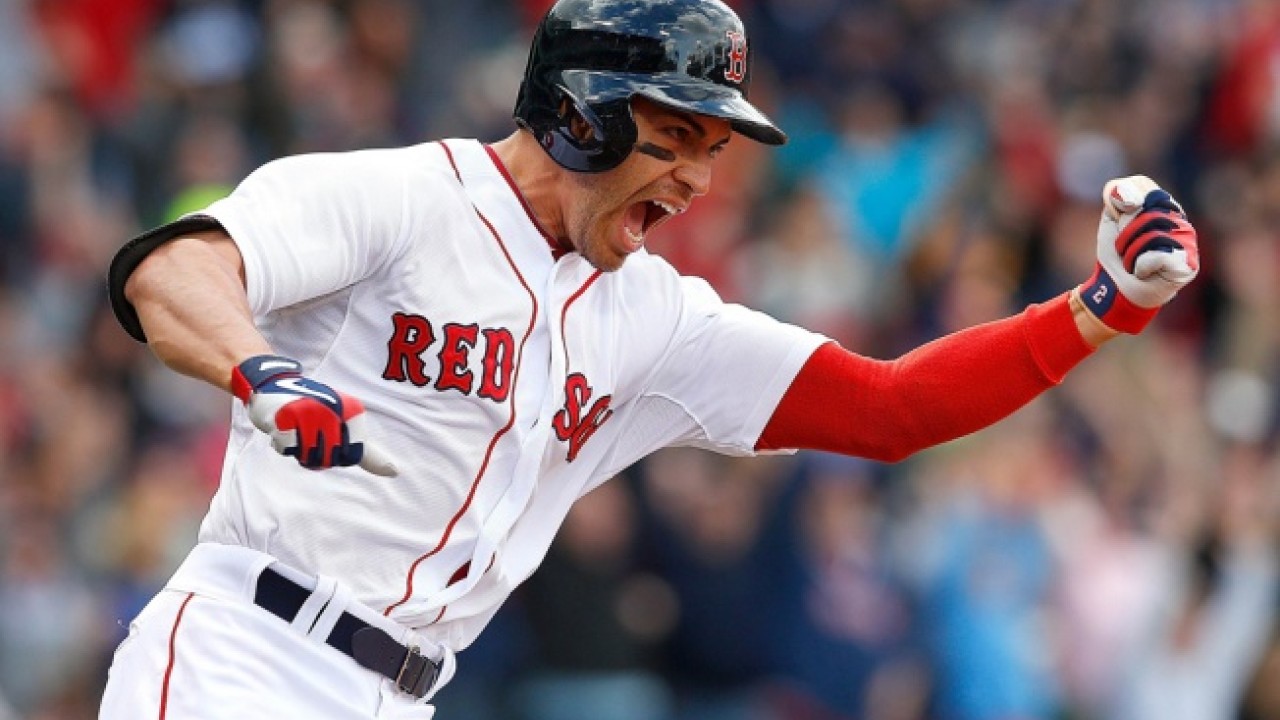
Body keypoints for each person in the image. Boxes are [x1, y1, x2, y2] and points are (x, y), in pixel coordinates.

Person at [98, 0, 1200, 717]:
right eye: (674, 135)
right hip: (243, 657)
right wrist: (260, 368)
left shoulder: (654, 318)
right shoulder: (395, 198)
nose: (694, 179)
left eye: (710, 150)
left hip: (403, 692)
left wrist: (1098, 309)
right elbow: (173, 274)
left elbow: (889, 407)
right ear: (579, 117)